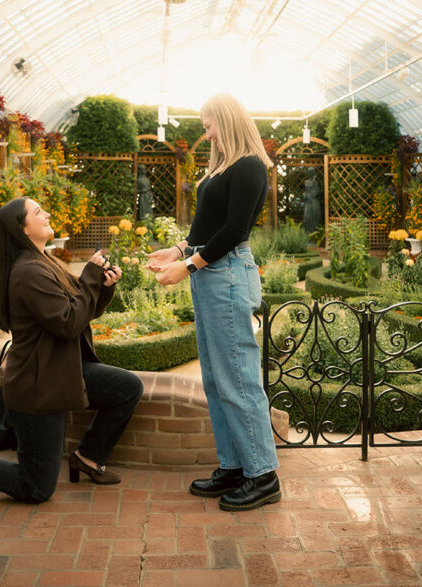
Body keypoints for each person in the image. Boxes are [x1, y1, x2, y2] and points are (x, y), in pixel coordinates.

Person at [0, 197, 143, 503]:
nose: (48, 213)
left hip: (61, 372)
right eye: (39, 212)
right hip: (38, 386)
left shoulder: (45, 261)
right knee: (36, 488)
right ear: (22, 229)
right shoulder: (28, 273)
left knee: (127, 387)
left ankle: (89, 456)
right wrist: (91, 280)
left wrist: (102, 287)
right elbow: (68, 322)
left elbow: (80, 312)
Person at [146, 93, 281, 511]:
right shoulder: (224, 166)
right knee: (216, 379)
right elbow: (210, 225)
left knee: (238, 377)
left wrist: (188, 266)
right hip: (211, 271)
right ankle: (236, 465)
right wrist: (178, 249)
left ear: (227, 119)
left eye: (209, 126)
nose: (205, 134)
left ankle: (263, 474)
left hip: (226, 274)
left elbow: (235, 230)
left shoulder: (250, 166)